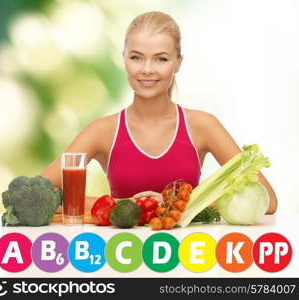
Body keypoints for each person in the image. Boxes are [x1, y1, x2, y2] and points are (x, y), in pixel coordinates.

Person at [41, 11, 277, 214]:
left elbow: (268, 200)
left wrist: (179, 204)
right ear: (124, 59)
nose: (147, 69)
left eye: (161, 59)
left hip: (187, 257)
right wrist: (125, 206)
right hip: (120, 256)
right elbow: (41, 195)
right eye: (136, 57)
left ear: (178, 63)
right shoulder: (102, 131)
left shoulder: (203, 126)